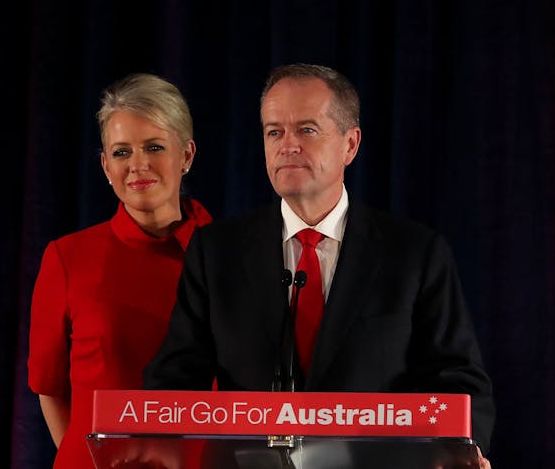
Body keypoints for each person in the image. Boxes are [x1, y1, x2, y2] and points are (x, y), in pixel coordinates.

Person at [144, 63, 495, 467]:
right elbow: (174, 380)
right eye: (274, 131)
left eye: (307, 130)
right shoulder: (216, 252)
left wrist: (464, 451)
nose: (287, 145)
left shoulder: (414, 254)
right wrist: (153, 444)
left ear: (350, 144)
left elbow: (458, 379)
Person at [27, 73, 213, 469]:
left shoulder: (231, 256)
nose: (138, 165)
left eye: (155, 147)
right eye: (121, 152)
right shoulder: (67, 257)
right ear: (105, 165)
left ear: (187, 155)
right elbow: (50, 388)